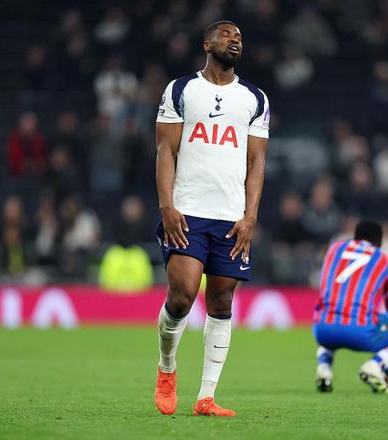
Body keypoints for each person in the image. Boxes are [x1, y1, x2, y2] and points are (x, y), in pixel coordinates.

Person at [154, 20, 269, 417]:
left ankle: (206, 397)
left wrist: (250, 216)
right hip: (187, 212)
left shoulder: (255, 98)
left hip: (231, 218)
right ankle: (167, 368)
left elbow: (256, 161)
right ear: (206, 43)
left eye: (239, 37)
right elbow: (165, 151)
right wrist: (167, 206)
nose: (234, 40)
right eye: (226, 35)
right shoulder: (181, 90)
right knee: (182, 295)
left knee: (221, 301)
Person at [313, 220, 388, 394]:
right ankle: (375, 365)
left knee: (333, 315)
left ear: (355, 237)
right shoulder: (384, 260)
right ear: (379, 242)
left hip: (321, 329)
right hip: (359, 331)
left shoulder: (334, 249)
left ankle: (324, 368)